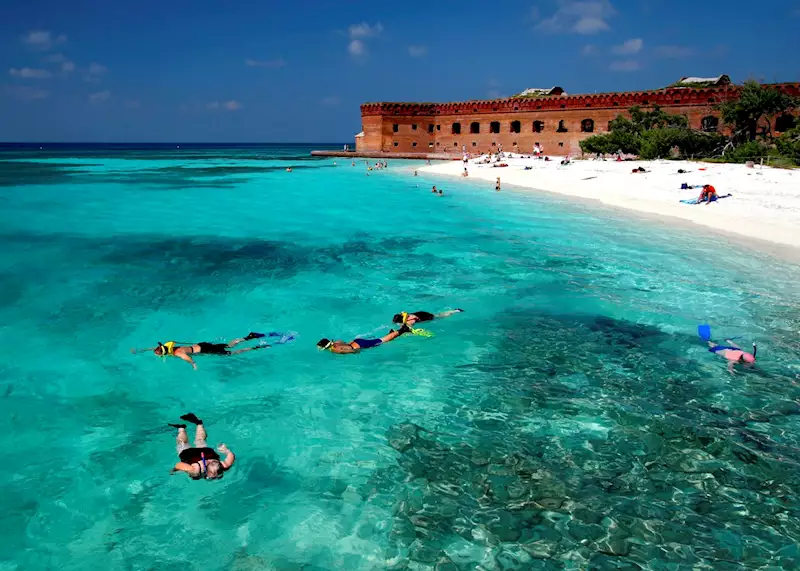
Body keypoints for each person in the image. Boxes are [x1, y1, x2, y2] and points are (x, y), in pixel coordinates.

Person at [147, 332, 269, 370]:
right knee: (228, 345)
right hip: (202, 345)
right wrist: (142, 350)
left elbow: (187, 358)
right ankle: (248, 337)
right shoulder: (170, 347)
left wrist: (194, 364)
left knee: (230, 353)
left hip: (204, 349)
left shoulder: (177, 353)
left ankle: (255, 347)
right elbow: (153, 348)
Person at [169, 413, 234, 480]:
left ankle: (199, 424)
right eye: (212, 477)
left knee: (200, 440)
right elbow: (178, 465)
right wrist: (175, 469)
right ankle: (181, 428)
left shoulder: (223, 465)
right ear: (208, 472)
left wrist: (226, 450)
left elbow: (231, 455)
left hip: (207, 453)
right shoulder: (195, 470)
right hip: (190, 455)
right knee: (182, 443)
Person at [317, 326, 410, 354]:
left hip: (359, 345)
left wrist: (357, 352)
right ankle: (392, 333)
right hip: (356, 341)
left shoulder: (334, 350)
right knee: (379, 341)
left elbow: (351, 350)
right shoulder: (336, 342)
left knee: (382, 341)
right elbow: (343, 343)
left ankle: (403, 330)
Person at [392, 309, 463, 328]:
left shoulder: (410, 321)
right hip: (420, 313)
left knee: (440, 316)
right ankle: (455, 310)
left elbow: (410, 327)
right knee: (437, 315)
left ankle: (455, 311)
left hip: (425, 317)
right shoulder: (405, 315)